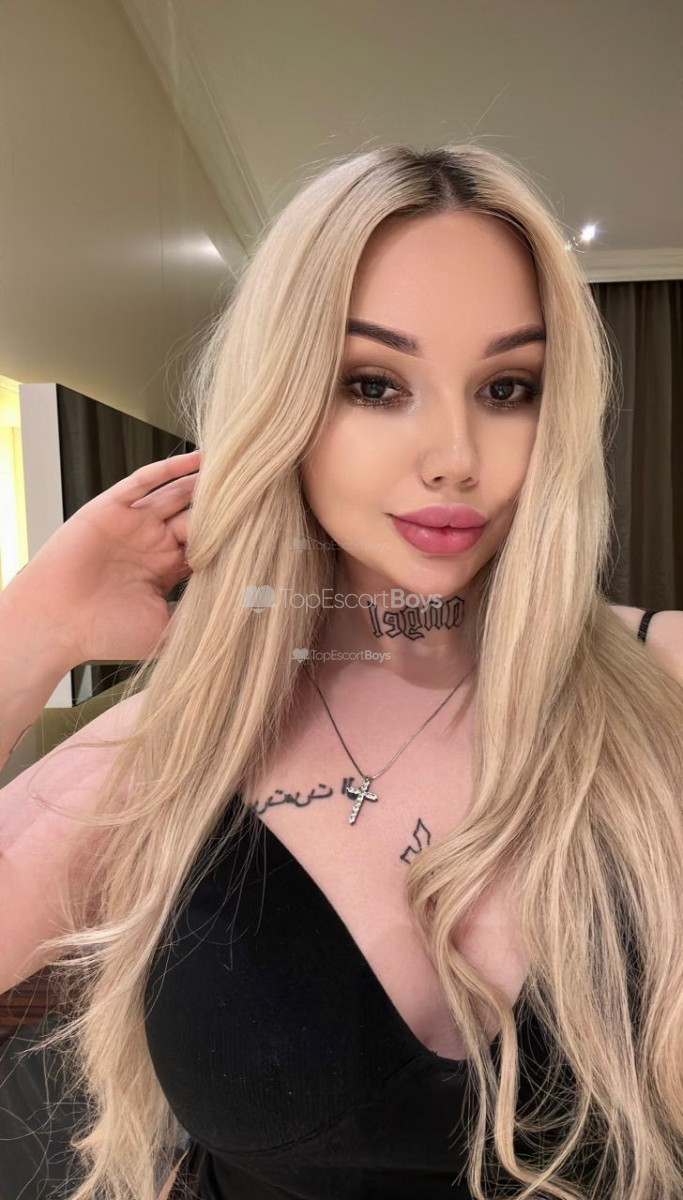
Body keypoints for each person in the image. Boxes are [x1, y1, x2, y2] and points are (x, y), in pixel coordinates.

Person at [1, 143, 682, 1200]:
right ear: (283, 407)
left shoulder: (664, 678)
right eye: (373, 383)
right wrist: (31, 629)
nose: (455, 456)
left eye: (507, 387)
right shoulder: (170, 747)